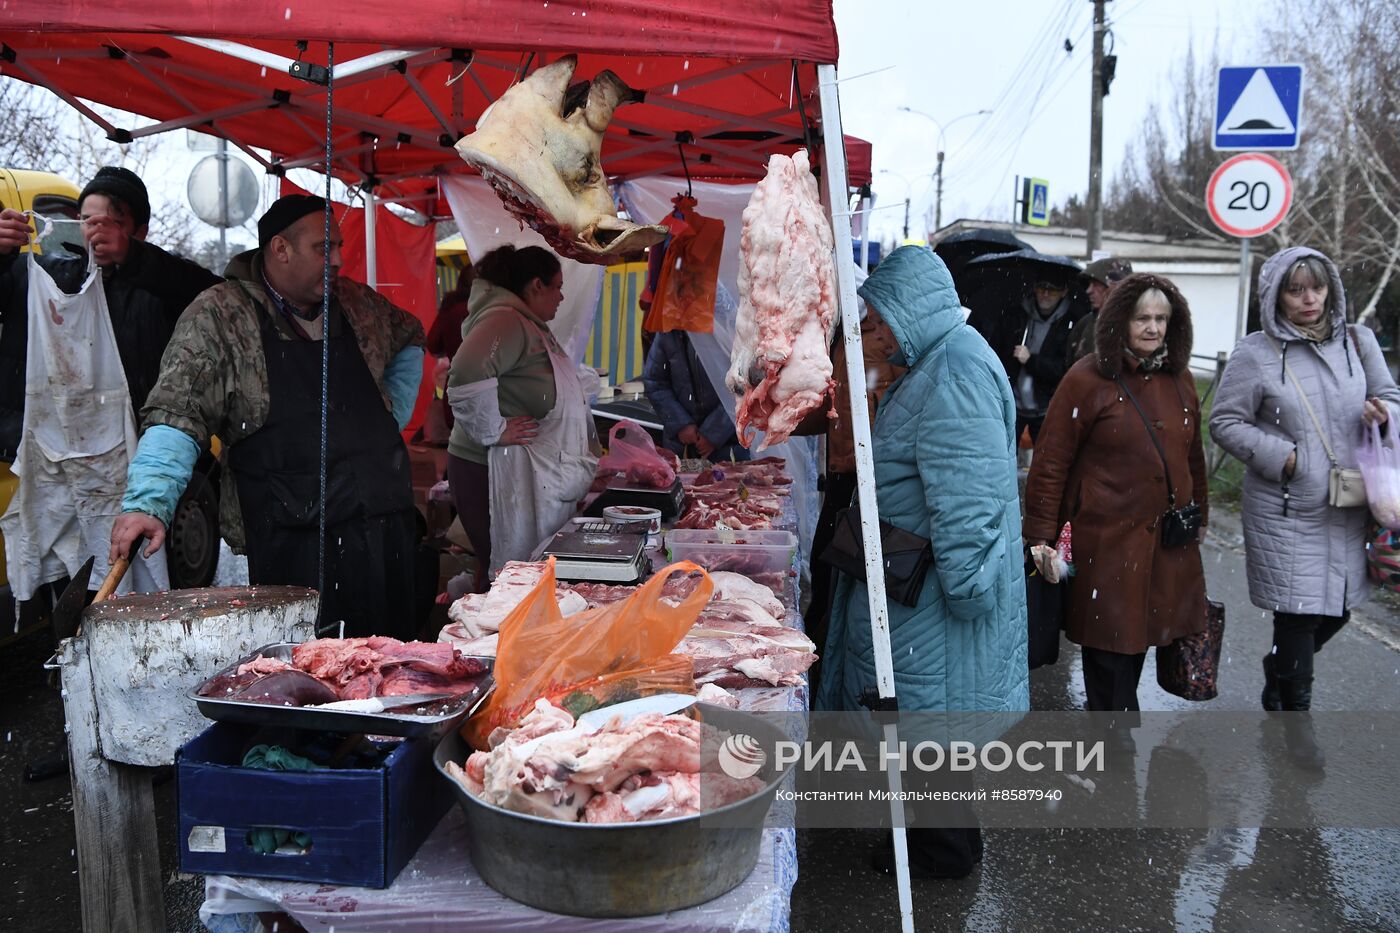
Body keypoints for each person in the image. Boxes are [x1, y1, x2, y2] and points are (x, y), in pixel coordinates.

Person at [109, 194, 426, 638]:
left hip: (382, 526)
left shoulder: (357, 304)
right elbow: (178, 411)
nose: (337, 260)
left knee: (393, 666)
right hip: (289, 543)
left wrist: (392, 409)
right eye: (323, 248)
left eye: (338, 246)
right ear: (280, 249)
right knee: (309, 679)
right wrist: (149, 501)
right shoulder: (220, 316)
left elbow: (410, 334)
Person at [815, 246, 1028, 880]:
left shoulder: (953, 372)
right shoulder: (939, 360)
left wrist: (963, 589)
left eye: (878, 321)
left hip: (936, 592)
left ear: (913, 312)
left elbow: (968, 499)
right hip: (922, 581)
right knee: (934, 726)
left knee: (932, 725)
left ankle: (941, 859)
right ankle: (948, 842)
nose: (871, 335)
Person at [1209, 247, 1399, 770]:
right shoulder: (1257, 352)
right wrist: (1284, 457)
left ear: (1330, 288)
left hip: (1350, 501)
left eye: (1316, 287)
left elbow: (1391, 395)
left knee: (1336, 609)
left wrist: (1383, 414)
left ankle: (1280, 672)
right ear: (1276, 296)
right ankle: (1297, 724)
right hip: (1287, 507)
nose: (1308, 299)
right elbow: (1224, 422)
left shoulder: (1358, 342)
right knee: (1297, 614)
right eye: (1295, 290)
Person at [0, 166, 220, 602]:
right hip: (59, 466)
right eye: (87, 221)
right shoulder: (55, 278)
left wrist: (135, 258)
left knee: (136, 588)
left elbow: (211, 292)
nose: (96, 233)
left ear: (139, 230)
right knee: (69, 586)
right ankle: (71, 663)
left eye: (113, 223)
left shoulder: (161, 285)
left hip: (135, 464)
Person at [1024, 274, 1209, 714]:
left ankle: (1115, 727)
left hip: (1166, 544)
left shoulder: (1180, 380)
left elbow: (1193, 455)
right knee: (1109, 644)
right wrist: (1040, 534)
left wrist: (1199, 514)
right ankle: (1114, 737)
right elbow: (1051, 461)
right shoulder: (1087, 379)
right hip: (1104, 543)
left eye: (1161, 319)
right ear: (1118, 322)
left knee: (1141, 635)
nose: (1152, 328)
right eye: (1141, 318)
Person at [445, 245, 598, 591]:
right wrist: (494, 429)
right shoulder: (505, 320)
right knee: (503, 574)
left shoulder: (527, 323)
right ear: (535, 285)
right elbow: (467, 371)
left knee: (519, 574)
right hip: (488, 468)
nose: (562, 296)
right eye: (557, 286)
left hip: (517, 467)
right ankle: (484, 640)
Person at [794, 293, 905, 672]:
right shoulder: (846, 335)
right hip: (844, 472)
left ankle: (822, 662)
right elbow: (835, 406)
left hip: (862, 479)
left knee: (837, 574)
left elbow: (880, 414)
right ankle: (818, 658)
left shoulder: (878, 341)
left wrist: (872, 470)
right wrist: (783, 419)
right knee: (825, 567)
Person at [971, 274, 1088, 443]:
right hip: (1012, 405)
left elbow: (1065, 369)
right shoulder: (1016, 317)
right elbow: (997, 353)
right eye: (1041, 288)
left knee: (1045, 458)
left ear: (1064, 292)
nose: (1046, 294)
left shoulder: (1071, 324)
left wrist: (1032, 360)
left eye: (1052, 290)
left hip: (1046, 408)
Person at [641, 329, 747, 462]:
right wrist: (681, 424)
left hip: (730, 444)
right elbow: (654, 381)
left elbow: (745, 385)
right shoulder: (667, 332)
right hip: (680, 446)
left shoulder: (728, 327)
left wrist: (713, 433)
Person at [1070, 256, 1133, 362]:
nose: (1088, 290)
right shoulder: (1084, 324)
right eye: (1089, 284)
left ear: (1115, 287)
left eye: (1095, 284)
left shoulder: (1136, 324)